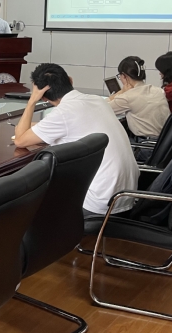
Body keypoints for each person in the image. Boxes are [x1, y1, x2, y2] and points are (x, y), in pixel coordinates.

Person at [14, 63, 139, 218]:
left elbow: (20, 140)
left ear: (43, 97)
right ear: (70, 80)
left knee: (35, 201)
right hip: (125, 195)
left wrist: (32, 100)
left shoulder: (63, 113)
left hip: (98, 203)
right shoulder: (97, 100)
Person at [107, 56, 170, 138]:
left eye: (120, 76)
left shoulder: (128, 97)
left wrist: (121, 92)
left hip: (143, 143)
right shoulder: (159, 91)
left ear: (124, 76)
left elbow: (101, 108)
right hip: (163, 140)